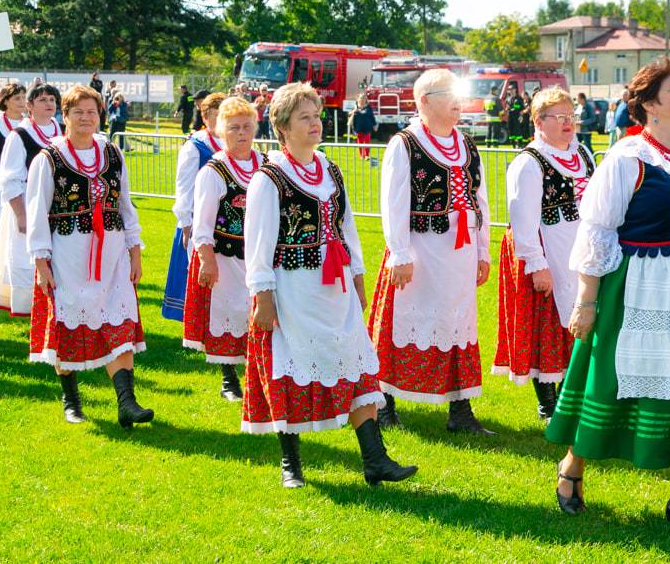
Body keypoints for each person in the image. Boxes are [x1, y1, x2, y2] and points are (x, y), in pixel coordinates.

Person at [546, 57, 670, 524]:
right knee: (610, 379)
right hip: (641, 287)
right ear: (649, 105)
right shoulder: (628, 157)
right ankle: (573, 466)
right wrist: (587, 301)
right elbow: (598, 230)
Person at [242, 82, 418, 488]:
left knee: (354, 360)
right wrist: (263, 297)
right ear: (283, 127)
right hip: (293, 287)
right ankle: (291, 465)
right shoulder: (268, 178)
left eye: (317, 115)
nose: (315, 124)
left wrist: (357, 277)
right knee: (291, 363)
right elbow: (260, 243)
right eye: (305, 117)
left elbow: (347, 227)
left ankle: (375, 459)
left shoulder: (330, 168)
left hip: (334, 286)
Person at [368, 69, 493, 434]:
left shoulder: (467, 144)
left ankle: (460, 408)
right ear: (424, 101)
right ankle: (384, 400)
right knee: (404, 320)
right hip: (421, 250)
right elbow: (393, 203)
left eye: (459, 94)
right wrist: (400, 254)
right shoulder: (405, 144)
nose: (458, 102)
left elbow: (479, 199)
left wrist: (483, 251)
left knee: (458, 322)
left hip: (461, 252)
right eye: (448, 95)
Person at [26, 85, 152, 428]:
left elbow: (126, 206)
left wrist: (135, 251)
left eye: (91, 111)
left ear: (100, 115)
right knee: (67, 322)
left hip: (112, 255)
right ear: (64, 116)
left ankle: (127, 402)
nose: (85, 117)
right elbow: (36, 213)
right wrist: (41, 262)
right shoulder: (48, 159)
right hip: (68, 255)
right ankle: (71, 398)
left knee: (119, 318)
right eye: (78, 111)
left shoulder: (112, 154)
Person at [492, 85, 594, 421]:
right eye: (560, 117)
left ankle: (572, 396)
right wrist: (537, 264)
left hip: (578, 247)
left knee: (578, 319)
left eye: (571, 116)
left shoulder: (583, 155)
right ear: (538, 120)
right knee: (545, 326)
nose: (568, 123)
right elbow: (522, 218)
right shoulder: (530, 162)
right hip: (545, 248)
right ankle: (548, 404)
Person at [183, 97, 262, 402]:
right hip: (225, 254)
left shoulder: (267, 164)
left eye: (246, 127)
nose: (241, 133)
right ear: (221, 132)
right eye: (234, 128)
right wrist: (206, 259)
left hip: (259, 255)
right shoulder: (213, 171)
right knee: (229, 312)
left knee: (258, 312)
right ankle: (229, 378)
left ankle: (258, 374)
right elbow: (201, 223)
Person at [0, 84, 61, 318]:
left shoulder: (62, 131)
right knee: (28, 260)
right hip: (29, 207)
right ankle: (35, 312)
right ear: (30, 106)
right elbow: (9, 179)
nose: (49, 103)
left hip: (59, 208)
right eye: (42, 99)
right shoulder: (19, 135)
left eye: (52, 99)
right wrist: (21, 214)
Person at [163, 93, 227, 322]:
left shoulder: (234, 144)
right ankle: (194, 320)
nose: (220, 120)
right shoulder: (196, 146)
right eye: (215, 115)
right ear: (205, 116)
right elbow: (184, 186)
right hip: (199, 219)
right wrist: (186, 222)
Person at [0, 84, 26, 273]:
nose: (22, 101)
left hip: (23, 181)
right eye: (17, 98)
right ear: (6, 101)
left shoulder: (28, 125)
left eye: (23, 97)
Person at [351, 93, 377, 160]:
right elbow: (349, 115)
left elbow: (372, 117)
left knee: (367, 142)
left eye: (363, 99)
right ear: (358, 99)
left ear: (366, 100)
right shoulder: (355, 107)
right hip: (358, 127)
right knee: (360, 142)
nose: (362, 100)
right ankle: (361, 155)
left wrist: (374, 125)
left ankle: (367, 155)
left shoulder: (368, 107)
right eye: (361, 98)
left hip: (367, 127)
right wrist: (353, 112)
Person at [505, 83, 526, 147]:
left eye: (511, 89)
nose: (510, 91)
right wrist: (507, 109)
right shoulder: (508, 98)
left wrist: (521, 116)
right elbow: (507, 107)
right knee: (510, 130)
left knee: (517, 131)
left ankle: (519, 144)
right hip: (510, 117)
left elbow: (520, 108)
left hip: (517, 117)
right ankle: (513, 144)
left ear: (515, 90)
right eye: (509, 89)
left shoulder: (519, 98)